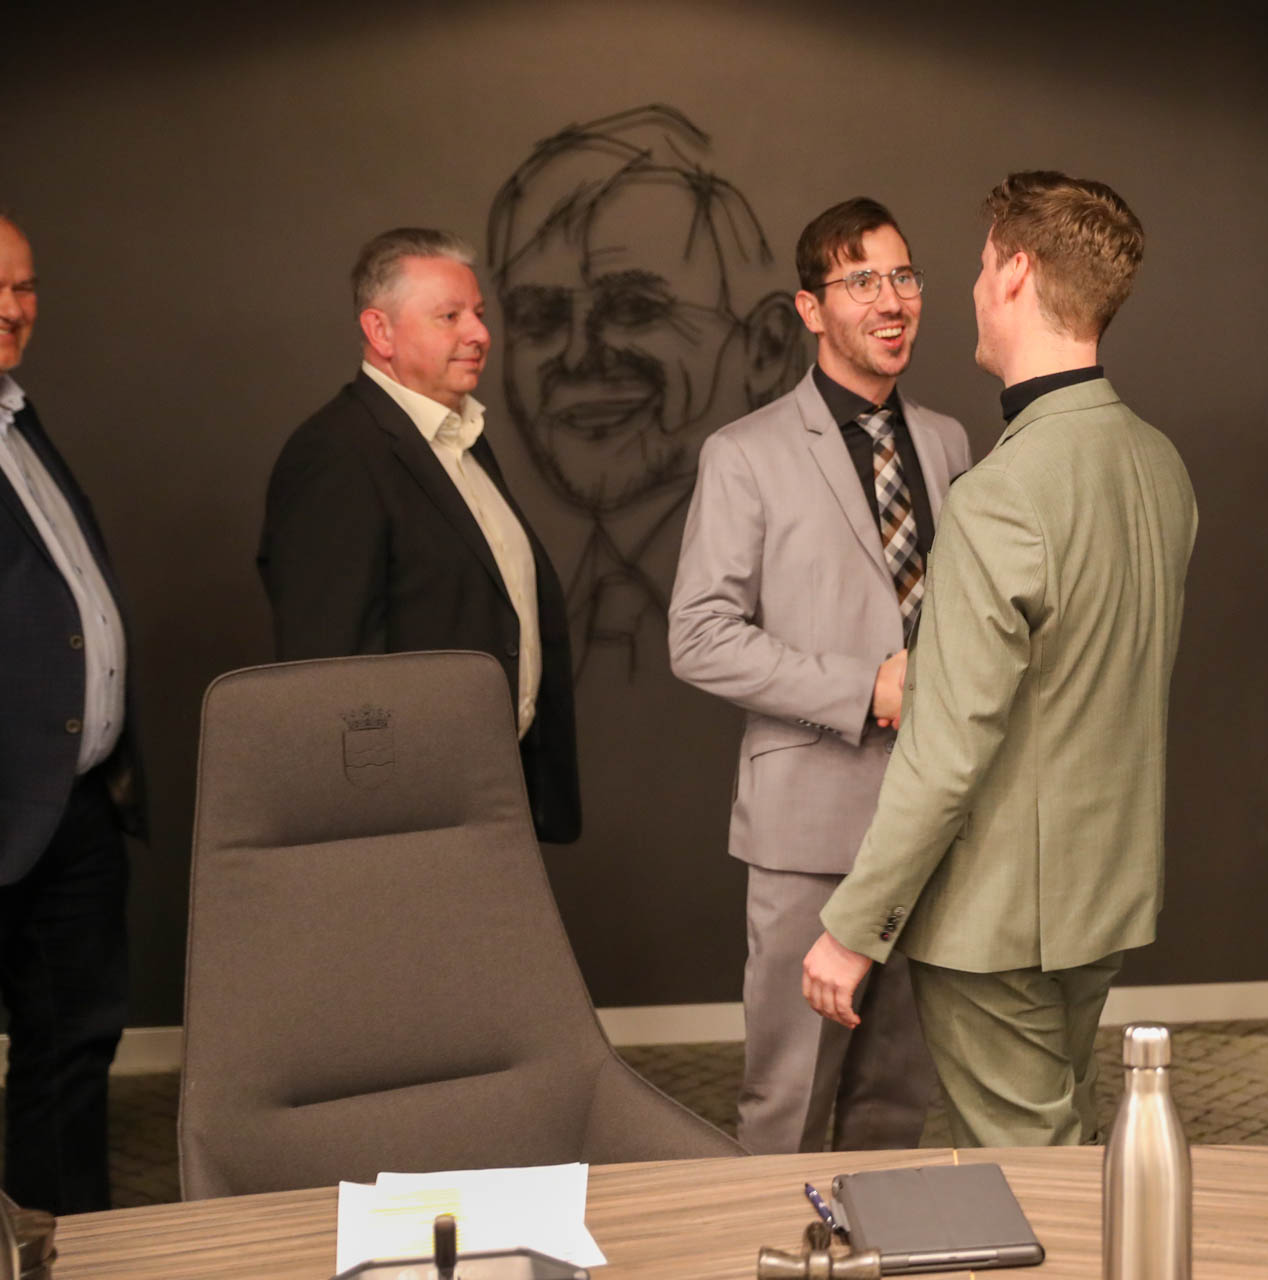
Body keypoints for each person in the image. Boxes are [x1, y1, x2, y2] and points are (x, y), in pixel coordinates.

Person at [802, 172, 1198, 1147]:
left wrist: (853, 927)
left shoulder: (1000, 492)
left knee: (1034, 1170)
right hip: (1103, 896)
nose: (974, 289)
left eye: (982, 267)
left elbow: (947, 747)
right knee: (1067, 1143)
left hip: (999, 918)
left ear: (1016, 272)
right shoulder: (1158, 463)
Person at [669, 197, 968, 1153]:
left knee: (896, 1103)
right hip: (808, 826)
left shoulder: (948, 441)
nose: (893, 300)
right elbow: (699, 637)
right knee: (786, 1103)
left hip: (930, 823)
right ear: (810, 308)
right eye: (862, 280)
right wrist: (863, 689)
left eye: (905, 276)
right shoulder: (744, 454)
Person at [259, 227, 580, 842]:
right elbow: (325, 672)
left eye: (478, 314)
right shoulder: (337, 454)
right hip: (405, 818)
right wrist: (382, 830)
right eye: (449, 316)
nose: (480, 334)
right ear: (380, 331)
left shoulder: (462, 440)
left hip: (489, 794)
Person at [486, 105, 808, 672]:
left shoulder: (816, 598)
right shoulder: (528, 618)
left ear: (767, 350)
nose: (578, 357)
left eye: (634, 308)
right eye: (538, 317)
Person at [0, 201, 144, 1213]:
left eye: (23, 286)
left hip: (72, 809)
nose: (9, 306)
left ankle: (71, 1252)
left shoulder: (11, 416)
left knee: (74, 1049)